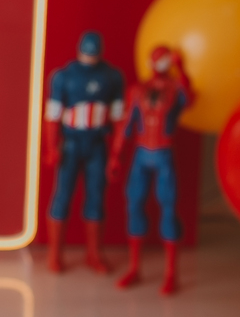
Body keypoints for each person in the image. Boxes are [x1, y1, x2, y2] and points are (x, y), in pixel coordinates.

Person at [110, 44, 193, 295]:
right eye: (158, 59)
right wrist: (115, 155)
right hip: (141, 154)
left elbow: (189, 99)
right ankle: (135, 267)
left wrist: (181, 69)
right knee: (134, 204)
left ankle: (171, 274)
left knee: (168, 208)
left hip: (164, 153)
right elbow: (126, 124)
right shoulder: (138, 90)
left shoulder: (176, 88)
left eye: (165, 59)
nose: (160, 63)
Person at [42, 30, 125, 274]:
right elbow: (52, 116)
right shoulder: (63, 77)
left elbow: (119, 118)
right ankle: (55, 254)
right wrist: (51, 148)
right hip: (71, 143)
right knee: (62, 196)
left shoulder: (112, 77)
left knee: (96, 198)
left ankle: (94, 253)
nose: (90, 58)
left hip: (97, 143)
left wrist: (115, 154)